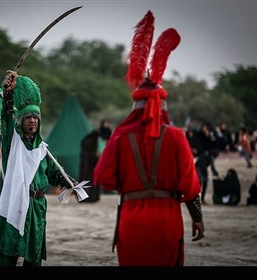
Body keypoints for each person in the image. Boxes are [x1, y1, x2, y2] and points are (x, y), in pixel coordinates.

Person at [93, 10, 204, 266]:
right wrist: (197, 217)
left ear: (136, 105)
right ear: (162, 104)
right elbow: (190, 186)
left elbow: (106, 179)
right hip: (168, 223)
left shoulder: (120, 137)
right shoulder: (176, 137)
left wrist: (130, 184)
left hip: (131, 222)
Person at [0, 73, 76, 266]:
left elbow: (55, 173)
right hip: (15, 202)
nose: (32, 121)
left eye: (35, 118)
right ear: (20, 120)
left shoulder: (43, 150)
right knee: (9, 251)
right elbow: (6, 119)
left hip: (38, 207)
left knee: (34, 256)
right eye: (28, 117)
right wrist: (8, 95)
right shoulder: (11, 143)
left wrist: (69, 182)